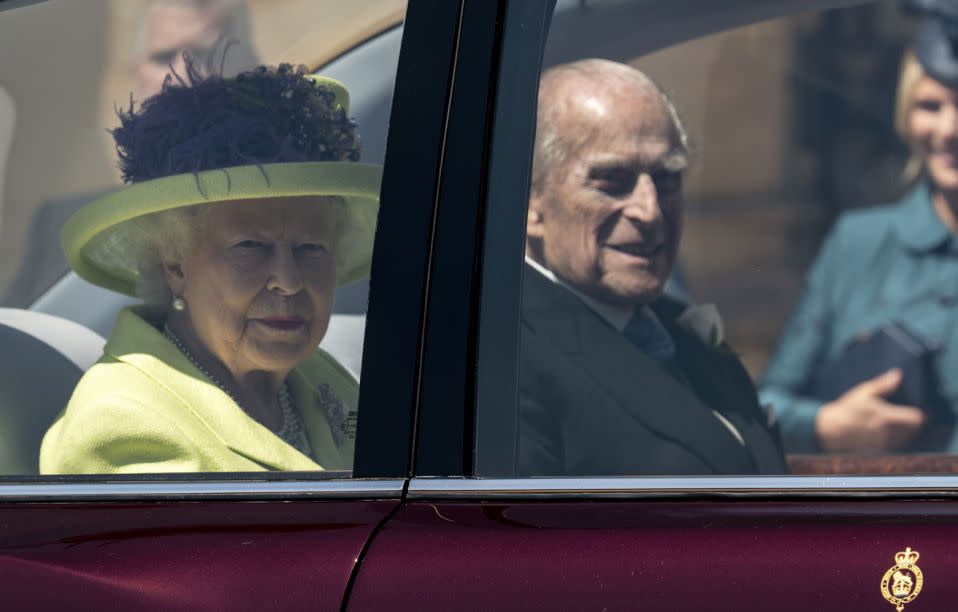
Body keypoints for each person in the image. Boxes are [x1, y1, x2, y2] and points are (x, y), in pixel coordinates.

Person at [39, 60, 381, 473]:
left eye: (311, 248)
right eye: (251, 246)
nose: (289, 282)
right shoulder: (124, 431)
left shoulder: (314, 377)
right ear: (175, 263)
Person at [517, 59, 787, 476]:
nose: (650, 210)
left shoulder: (677, 330)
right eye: (611, 180)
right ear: (530, 202)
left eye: (666, 179)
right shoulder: (503, 357)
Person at [760, 3, 958, 454]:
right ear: (906, 113)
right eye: (931, 105)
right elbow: (765, 402)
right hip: (886, 512)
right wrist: (826, 423)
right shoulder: (858, 243)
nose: (949, 129)